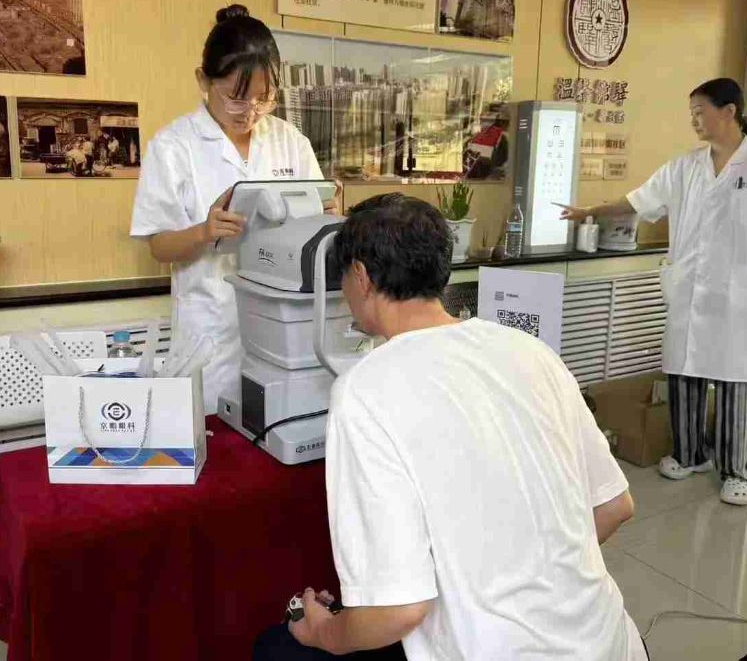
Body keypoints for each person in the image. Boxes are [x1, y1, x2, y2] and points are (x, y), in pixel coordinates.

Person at [254, 194, 643, 661]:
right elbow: (614, 506)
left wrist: (320, 631)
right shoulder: (530, 350)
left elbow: (395, 612)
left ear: (360, 277)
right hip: (612, 642)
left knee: (277, 649)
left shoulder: (365, 389)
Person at [562, 78, 747, 506]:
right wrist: (590, 211)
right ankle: (689, 455)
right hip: (689, 289)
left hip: (739, 295)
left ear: (729, 111)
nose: (694, 120)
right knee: (684, 371)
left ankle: (735, 471)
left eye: (700, 112)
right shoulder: (684, 167)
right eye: (691, 114)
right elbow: (637, 201)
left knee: (736, 377)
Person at [131, 4, 336, 414]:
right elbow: (158, 247)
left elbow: (319, 221)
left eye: (265, 99)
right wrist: (204, 232)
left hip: (283, 321)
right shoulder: (174, 146)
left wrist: (327, 212)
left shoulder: (289, 141)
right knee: (216, 429)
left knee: (281, 423)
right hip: (211, 326)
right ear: (203, 81)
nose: (251, 112)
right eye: (237, 99)